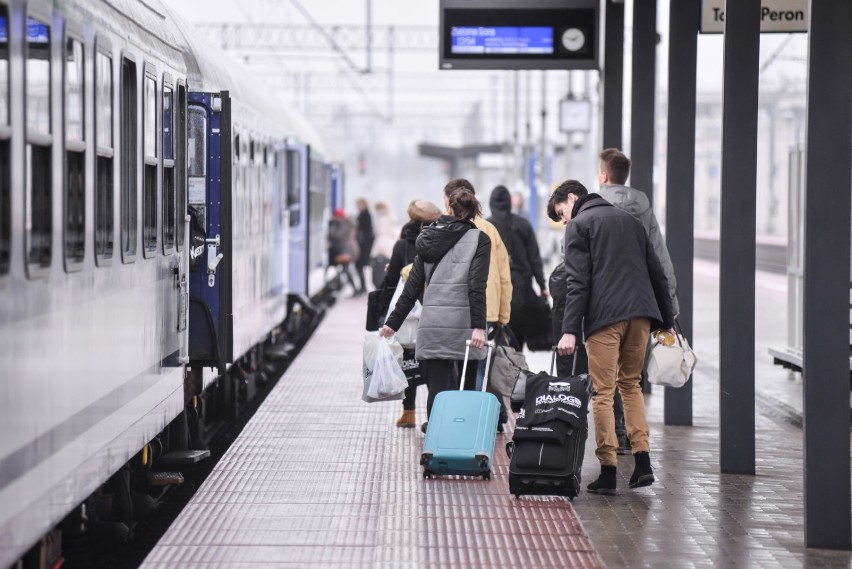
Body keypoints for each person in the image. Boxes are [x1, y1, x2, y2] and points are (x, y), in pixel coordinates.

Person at [549, 180, 674, 495]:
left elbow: (577, 281)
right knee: (631, 386)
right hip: (641, 316)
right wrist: (667, 318)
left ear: (572, 198)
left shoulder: (579, 225)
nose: (564, 220)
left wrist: (568, 330)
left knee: (603, 393)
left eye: (561, 212)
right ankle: (642, 460)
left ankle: (608, 469)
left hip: (606, 318)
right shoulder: (629, 221)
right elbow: (656, 270)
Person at [379, 189, 491, 433]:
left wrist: (392, 323)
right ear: (473, 213)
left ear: (449, 209)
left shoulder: (427, 238)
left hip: (432, 324)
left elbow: (412, 287)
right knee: (466, 386)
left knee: (437, 388)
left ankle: (436, 440)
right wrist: (479, 327)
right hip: (463, 326)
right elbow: (476, 287)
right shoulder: (480, 240)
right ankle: (462, 438)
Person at [597, 148, 681, 454]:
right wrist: (670, 302)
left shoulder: (594, 209)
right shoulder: (643, 208)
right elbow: (660, 257)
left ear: (604, 176)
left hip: (604, 304)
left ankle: (614, 434)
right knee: (631, 377)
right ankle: (636, 440)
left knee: (605, 378)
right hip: (641, 303)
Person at [442, 179, 512, 432]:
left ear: (451, 202)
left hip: (456, 311)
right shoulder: (490, 230)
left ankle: (455, 422)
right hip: (489, 311)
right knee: (482, 369)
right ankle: (482, 421)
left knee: (454, 368)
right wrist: (503, 315)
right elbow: (505, 275)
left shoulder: (446, 229)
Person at [383, 199, 443, 428]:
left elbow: (390, 282)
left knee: (408, 362)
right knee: (430, 365)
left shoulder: (402, 244)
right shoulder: (437, 242)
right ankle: (432, 415)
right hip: (430, 308)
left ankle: (408, 412)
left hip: (407, 313)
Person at [488, 184, 547, 349]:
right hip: (521, 288)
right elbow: (535, 258)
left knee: (495, 342)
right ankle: (516, 369)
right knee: (517, 338)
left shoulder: (487, 227)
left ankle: (498, 371)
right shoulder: (523, 224)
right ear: (509, 202)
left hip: (496, 290)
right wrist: (542, 285)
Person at [327, 209, 359, 293]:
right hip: (347, 250)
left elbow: (336, 235)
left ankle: (353, 289)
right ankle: (349, 288)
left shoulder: (343, 224)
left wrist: (332, 227)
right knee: (344, 269)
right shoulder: (346, 223)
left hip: (346, 250)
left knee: (345, 269)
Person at [370, 201, 399, 289]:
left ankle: (380, 282)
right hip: (389, 243)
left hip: (383, 243)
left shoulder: (382, 218)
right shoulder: (390, 217)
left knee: (380, 264)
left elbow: (381, 231)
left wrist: (380, 248)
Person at [354, 198, 374, 295]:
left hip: (363, 245)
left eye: (358, 204)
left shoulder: (365, 215)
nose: (357, 206)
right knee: (359, 266)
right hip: (363, 245)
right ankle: (362, 286)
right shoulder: (364, 214)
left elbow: (366, 231)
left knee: (359, 265)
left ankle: (363, 287)